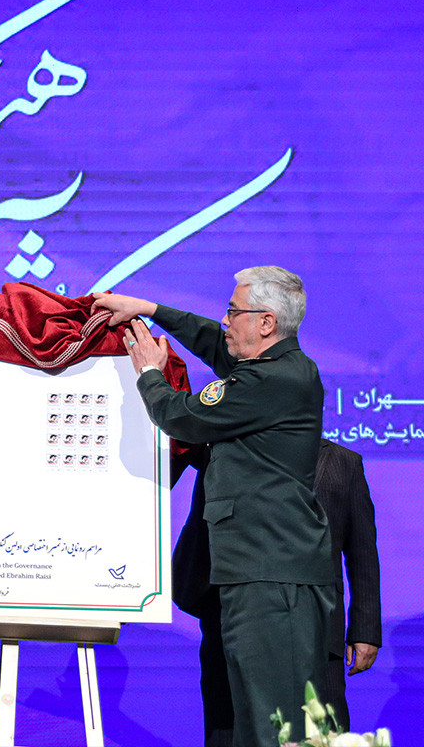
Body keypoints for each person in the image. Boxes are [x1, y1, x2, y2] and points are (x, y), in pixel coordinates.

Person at [92, 266, 334, 747]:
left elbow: (182, 417)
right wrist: (150, 309)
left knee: (277, 725)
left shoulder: (275, 379)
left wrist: (149, 373)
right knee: (252, 719)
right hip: (253, 571)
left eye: (233, 311)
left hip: (272, 576)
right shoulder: (271, 368)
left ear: (266, 323)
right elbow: (212, 342)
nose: (224, 320)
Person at [178, 439, 381, 745]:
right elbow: (201, 530)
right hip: (233, 624)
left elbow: (362, 551)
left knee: (321, 730)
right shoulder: (223, 451)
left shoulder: (344, 463)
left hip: (318, 629)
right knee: (228, 729)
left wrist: (365, 630)